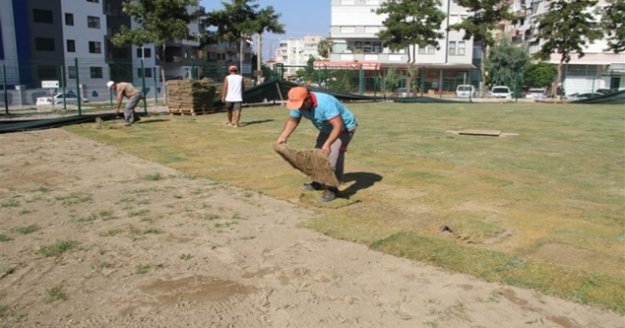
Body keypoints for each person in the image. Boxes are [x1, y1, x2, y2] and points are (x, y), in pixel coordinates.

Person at [276, 86, 358, 202]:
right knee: (316, 156)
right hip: (326, 129)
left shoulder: (325, 103)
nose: (298, 107)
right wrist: (283, 136)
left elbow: (338, 126)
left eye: (301, 104)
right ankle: (319, 182)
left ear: (308, 98)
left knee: (332, 157)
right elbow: (293, 120)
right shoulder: (298, 103)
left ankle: (332, 189)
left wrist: (328, 143)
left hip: (344, 128)